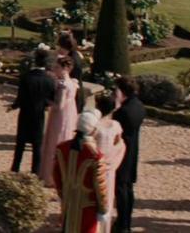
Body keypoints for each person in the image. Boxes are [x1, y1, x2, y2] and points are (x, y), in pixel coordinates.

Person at [53, 110, 111, 233]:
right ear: (93, 130)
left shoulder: (61, 148)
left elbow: (56, 175)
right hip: (87, 206)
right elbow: (99, 186)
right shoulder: (95, 156)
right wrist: (103, 209)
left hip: (68, 202)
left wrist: (63, 195)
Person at [11, 47, 58, 176]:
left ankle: (15, 169)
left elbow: (20, 98)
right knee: (37, 146)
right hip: (39, 115)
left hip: (25, 114)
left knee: (20, 144)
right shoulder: (49, 80)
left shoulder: (26, 77)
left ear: (35, 61)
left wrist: (14, 106)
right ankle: (35, 172)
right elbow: (52, 99)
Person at [112, 76, 145, 233]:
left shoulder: (123, 111)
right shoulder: (138, 105)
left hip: (122, 152)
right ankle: (126, 222)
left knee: (121, 189)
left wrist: (116, 108)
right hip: (133, 151)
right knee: (128, 188)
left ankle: (122, 224)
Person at [41, 56, 80, 186]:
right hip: (70, 114)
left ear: (65, 69)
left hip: (60, 116)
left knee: (54, 141)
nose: (55, 69)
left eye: (57, 67)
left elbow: (60, 106)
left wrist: (48, 102)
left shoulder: (64, 85)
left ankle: (51, 177)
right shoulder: (72, 82)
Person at [93, 95, 125, 233]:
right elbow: (119, 143)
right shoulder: (116, 125)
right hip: (108, 167)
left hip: (95, 164)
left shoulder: (95, 126)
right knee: (107, 197)